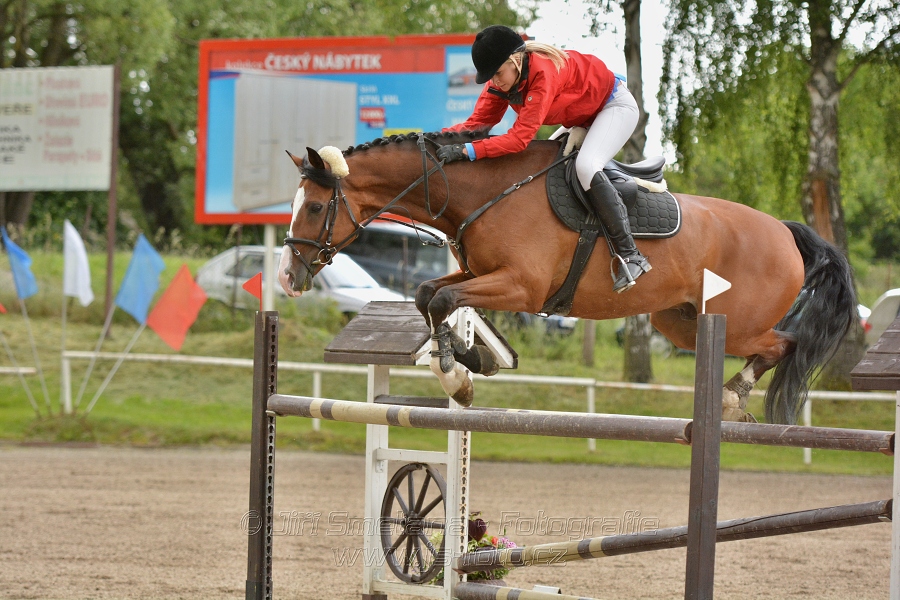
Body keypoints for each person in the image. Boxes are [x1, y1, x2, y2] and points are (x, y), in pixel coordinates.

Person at [438, 25, 650, 293]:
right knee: (541, 168)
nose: (496, 81)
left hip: (613, 106)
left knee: (586, 167)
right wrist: (438, 139)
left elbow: (519, 139)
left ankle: (632, 255)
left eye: (498, 73)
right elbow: (477, 125)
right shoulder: (504, 79)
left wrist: (469, 151)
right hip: (583, 118)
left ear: (515, 61)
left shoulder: (543, 73)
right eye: (491, 76)